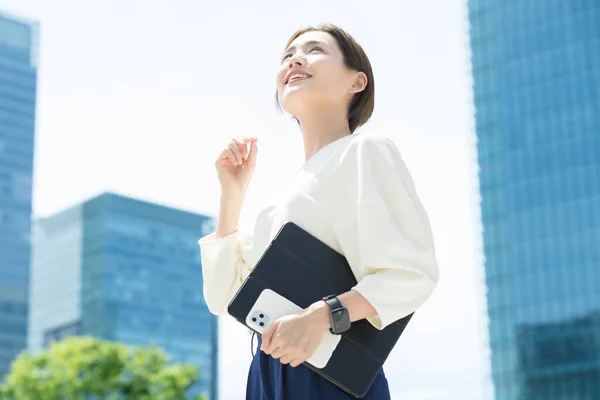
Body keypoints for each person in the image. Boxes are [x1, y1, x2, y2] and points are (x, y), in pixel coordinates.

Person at [198, 23, 439, 400]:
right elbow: (226, 299)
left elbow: (410, 274)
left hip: (328, 378)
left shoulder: (365, 151)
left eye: (314, 50)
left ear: (356, 82)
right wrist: (232, 193)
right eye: (287, 55)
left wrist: (321, 316)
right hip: (266, 373)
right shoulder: (277, 199)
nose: (295, 58)